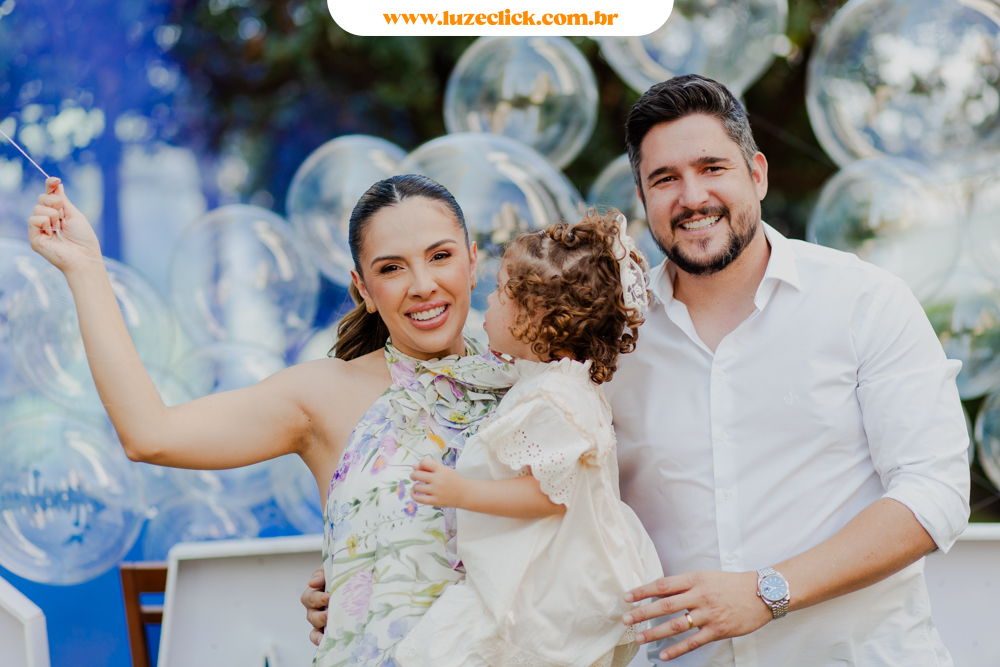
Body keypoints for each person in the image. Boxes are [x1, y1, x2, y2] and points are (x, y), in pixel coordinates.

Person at [303, 75, 970, 667]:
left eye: (712, 168)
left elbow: (934, 491)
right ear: (644, 197)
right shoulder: (599, 338)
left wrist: (769, 589)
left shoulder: (862, 301)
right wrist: (367, 568)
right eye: (665, 179)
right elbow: (522, 472)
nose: (693, 196)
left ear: (758, 174)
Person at [29, 173, 518, 666]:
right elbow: (150, 435)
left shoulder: (532, 383)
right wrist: (84, 268)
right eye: (391, 268)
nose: (423, 285)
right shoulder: (324, 395)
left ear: (472, 262)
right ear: (364, 289)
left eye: (440, 256)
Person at [393, 211, 663, 667]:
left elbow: (549, 494)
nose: (488, 300)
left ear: (536, 315)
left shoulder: (554, 399)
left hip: (548, 582)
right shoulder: (553, 381)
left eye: (500, 291)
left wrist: (460, 491)